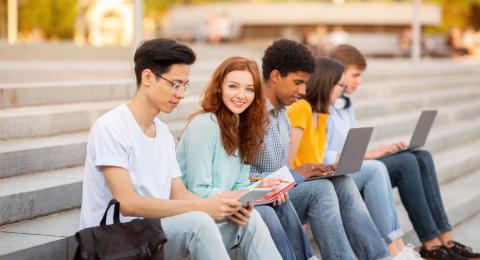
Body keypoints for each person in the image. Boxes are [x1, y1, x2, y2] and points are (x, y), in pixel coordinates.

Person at [79, 38, 268, 260]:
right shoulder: (111, 127)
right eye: (175, 84)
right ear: (147, 77)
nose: (180, 93)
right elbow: (127, 203)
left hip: (155, 233)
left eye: (185, 86)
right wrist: (201, 207)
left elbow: (179, 193)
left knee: (248, 220)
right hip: (115, 240)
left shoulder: (163, 133)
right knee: (198, 222)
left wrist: (224, 205)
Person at [327, 44, 480, 260]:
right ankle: (430, 243)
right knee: (407, 163)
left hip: (359, 163)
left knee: (422, 156)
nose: (359, 81)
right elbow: (326, 154)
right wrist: (372, 154)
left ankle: (445, 238)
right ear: (338, 71)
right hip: (346, 171)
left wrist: (379, 151)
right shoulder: (324, 104)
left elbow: (351, 147)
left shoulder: (346, 104)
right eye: (355, 75)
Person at [251, 39, 390, 260]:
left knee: (340, 181)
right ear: (276, 76)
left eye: (305, 83)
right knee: (323, 190)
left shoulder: (284, 115)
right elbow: (256, 174)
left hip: (281, 191)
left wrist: (310, 170)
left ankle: (382, 256)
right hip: (263, 195)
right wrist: (298, 174)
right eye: (298, 82)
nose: (303, 90)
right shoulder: (262, 113)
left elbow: (284, 169)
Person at [288, 57, 422, 259]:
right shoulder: (302, 108)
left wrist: (328, 168)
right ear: (326, 83)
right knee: (349, 179)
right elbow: (289, 165)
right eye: (339, 85)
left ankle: (382, 256)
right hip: (299, 184)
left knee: (342, 179)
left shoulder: (323, 114)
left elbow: (316, 157)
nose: (342, 90)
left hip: (314, 178)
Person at [176, 56, 307, 260]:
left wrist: (265, 189)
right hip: (194, 218)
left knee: (266, 209)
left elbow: (240, 184)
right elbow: (198, 190)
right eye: (233, 86)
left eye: (249, 89)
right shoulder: (205, 125)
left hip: (222, 214)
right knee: (255, 218)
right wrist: (247, 194)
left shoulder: (243, 129)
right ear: (219, 88)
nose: (241, 95)